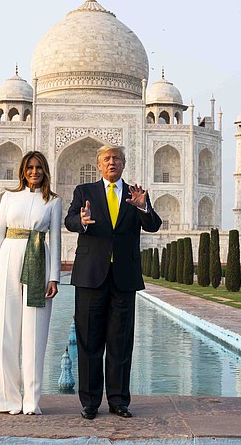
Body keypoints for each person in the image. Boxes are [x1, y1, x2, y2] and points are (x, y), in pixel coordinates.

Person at [65, 144, 162, 420]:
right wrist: (81, 221)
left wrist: (143, 206)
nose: (112, 163)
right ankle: (90, 402)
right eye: (107, 159)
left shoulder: (135, 193)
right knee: (88, 341)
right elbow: (69, 219)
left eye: (117, 159)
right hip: (90, 274)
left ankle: (118, 400)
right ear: (98, 165)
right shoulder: (84, 192)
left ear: (124, 164)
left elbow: (154, 224)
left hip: (123, 276)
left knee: (120, 341)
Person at [0, 150, 62, 415]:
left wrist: (54, 277)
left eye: (39, 167)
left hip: (38, 260)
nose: (34, 172)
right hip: (9, 256)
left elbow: (55, 240)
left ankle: (31, 400)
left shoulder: (52, 201)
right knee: (6, 332)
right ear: (23, 170)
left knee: (35, 333)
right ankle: (8, 399)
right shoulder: (9, 197)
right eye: (30, 167)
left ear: (45, 171)